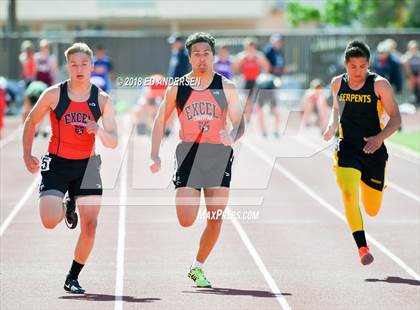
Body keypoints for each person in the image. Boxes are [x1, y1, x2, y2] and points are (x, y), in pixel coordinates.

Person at [150, 32, 244, 287]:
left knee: (215, 218)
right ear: (189, 57)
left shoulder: (226, 87)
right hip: (189, 153)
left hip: (218, 154)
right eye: (197, 54)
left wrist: (231, 136)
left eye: (206, 54)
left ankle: (197, 267)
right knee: (186, 219)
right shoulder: (177, 88)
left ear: (213, 56)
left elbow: (240, 124)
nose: (202, 59)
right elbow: (160, 121)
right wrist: (154, 154)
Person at [22, 42, 118, 293]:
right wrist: (26, 154)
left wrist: (99, 130)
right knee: (49, 220)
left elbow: (114, 140)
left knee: (91, 225)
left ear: (92, 66)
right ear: (67, 66)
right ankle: (66, 203)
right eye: (74, 64)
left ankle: (72, 277)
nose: (79, 68)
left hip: (88, 165)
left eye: (84, 64)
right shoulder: (54, 94)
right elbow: (31, 122)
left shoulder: (102, 99)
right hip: (58, 163)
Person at [323, 40, 401, 265]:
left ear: (369, 64)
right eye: (353, 67)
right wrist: (331, 125)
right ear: (346, 65)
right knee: (348, 194)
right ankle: (362, 248)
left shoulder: (380, 85)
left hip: (373, 151)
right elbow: (336, 109)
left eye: (362, 66)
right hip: (347, 148)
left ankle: (377, 184)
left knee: (372, 209)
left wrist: (379, 138)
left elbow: (396, 118)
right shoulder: (337, 83)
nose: (358, 72)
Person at [234, 37, 270, 126]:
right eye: (249, 47)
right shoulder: (242, 56)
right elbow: (234, 67)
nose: (250, 49)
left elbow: (267, 66)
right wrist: (238, 74)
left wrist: (263, 75)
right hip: (246, 81)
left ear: (254, 47)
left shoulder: (259, 56)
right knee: (247, 101)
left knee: (257, 101)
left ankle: (258, 120)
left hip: (256, 81)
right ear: (246, 47)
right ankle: (247, 118)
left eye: (252, 47)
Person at [401, 40, 420, 106]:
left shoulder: (418, 55)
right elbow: (404, 64)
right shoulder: (407, 55)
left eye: (415, 48)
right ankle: (411, 96)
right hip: (409, 75)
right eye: (412, 48)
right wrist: (411, 76)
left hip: (418, 74)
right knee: (411, 81)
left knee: (418, 80)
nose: (413, 49)